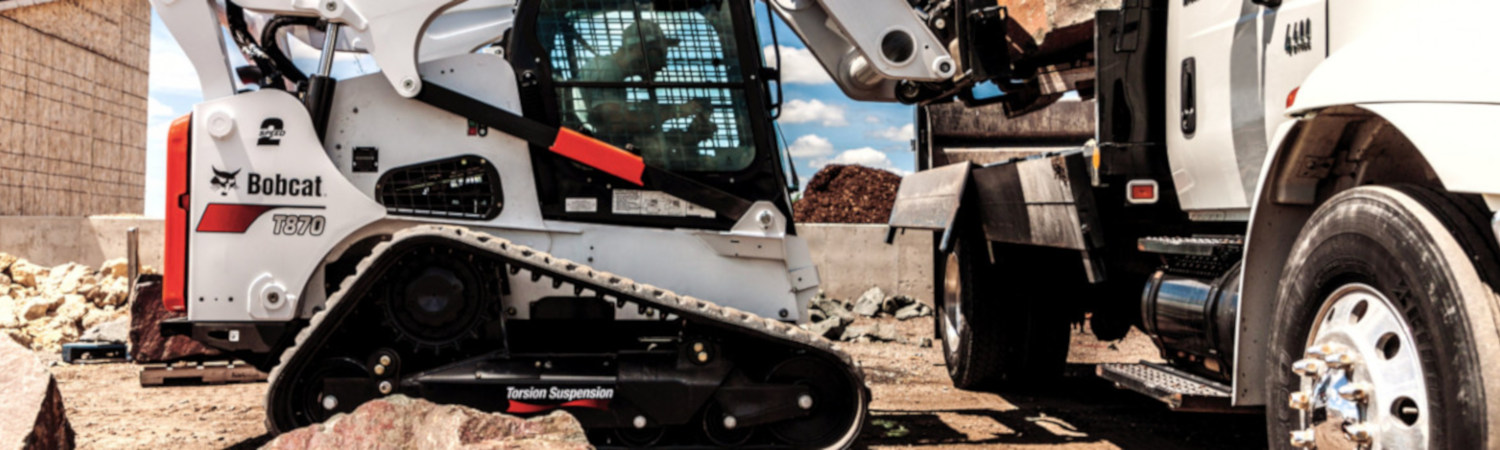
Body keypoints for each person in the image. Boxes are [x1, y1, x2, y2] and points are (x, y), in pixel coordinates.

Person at [579, 20, 716, 166]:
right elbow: (616, 123)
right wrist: (677, 110)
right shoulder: (607, 70)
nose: (663, 64)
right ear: (640, 49)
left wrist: (689, 136)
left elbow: (628, 128)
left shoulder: (609, 71)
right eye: (660, 54)